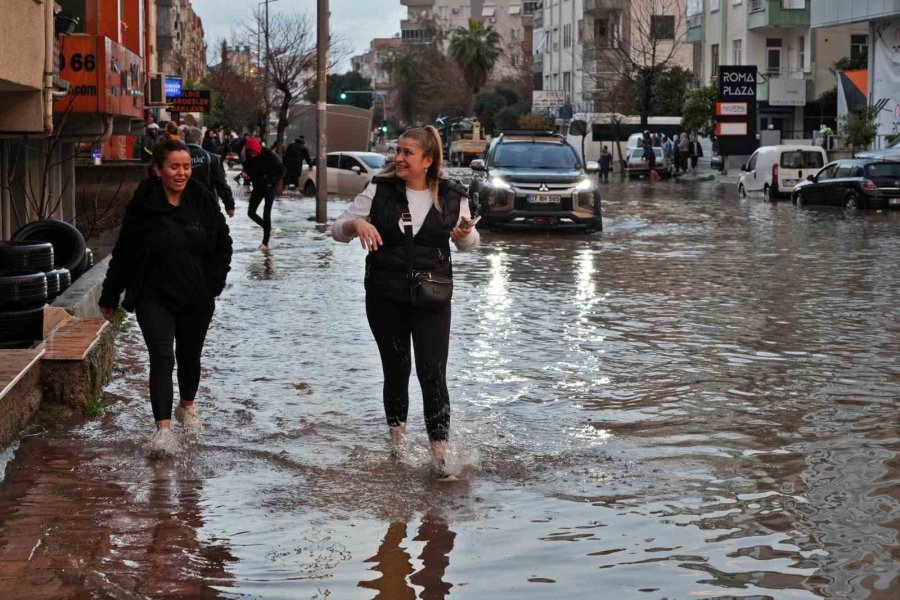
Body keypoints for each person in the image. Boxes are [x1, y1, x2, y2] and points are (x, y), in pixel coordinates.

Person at [331, 125, 480, 479]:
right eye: (398, 151)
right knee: (396, 370)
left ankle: (440, 459)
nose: (398, 158)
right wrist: (357, 226)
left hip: (432, 296)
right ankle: (397, 447)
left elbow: (470, 242)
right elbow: (337, 228)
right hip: (385, 295)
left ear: (427, 160)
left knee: (433, 373)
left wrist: (464, 234)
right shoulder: (379, 189)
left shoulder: (453, 194)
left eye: (407, 153)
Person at [98, 140, 233, 457]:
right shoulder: (144, 203)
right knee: (161, 357)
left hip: (195, 295)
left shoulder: (201, 198)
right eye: (174, 166)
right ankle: (163, 431)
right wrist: (110, 293)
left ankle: (186, 406)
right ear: (158, 169)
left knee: (189, 356)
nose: (182, 173)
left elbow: (223, 245)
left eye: (186, 166)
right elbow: (125, 251)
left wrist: (212, 283)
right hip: (152, 294)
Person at [242, 137, 285, 251]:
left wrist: (271, 181)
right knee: (251, 212)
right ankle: (269, 228)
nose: (252, 154)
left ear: (258, 149)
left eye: (253, 152)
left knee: (267, 213)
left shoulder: (269, 154)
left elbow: (281, 170)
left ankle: (265, 243)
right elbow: (248, 167)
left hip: (269, 187)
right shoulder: (248, 157)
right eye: (249, 152)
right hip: (258, 187)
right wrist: (246, 173)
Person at [182, 126, 235, 218]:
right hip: (206, 204)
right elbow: (220, 182)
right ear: (199, 140)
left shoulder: (175, 157)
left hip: (182, 204)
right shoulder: (209, 157)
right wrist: (229, 205)